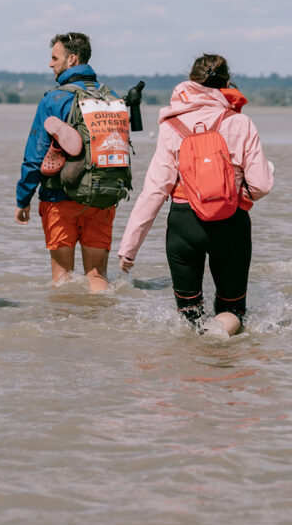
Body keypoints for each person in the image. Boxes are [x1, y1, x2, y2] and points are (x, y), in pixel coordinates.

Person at [117, 54, 274, 336]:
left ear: (191, 82)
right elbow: (261, 184)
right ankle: (219, 345)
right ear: (226, 83)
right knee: (233, 310)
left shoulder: (171, 126)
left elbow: (154, 191)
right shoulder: (240, 123)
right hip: (231, 221)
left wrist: (129, 248)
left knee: (189, 313)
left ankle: (192, 367)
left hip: (183, 224)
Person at [15, 31, 121, 293]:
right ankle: (101, 325)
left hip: (59, 197)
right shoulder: (111, 96)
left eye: (55, 57)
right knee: (97, 275)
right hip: (102, 194)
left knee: (62, 277)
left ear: (72, 59)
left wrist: (23, 199)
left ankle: (65, 331)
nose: (50, 64)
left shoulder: (55, 98)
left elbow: (36, 156)